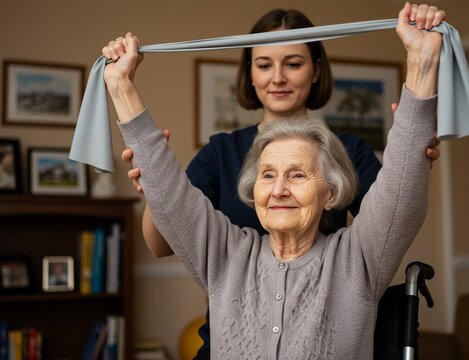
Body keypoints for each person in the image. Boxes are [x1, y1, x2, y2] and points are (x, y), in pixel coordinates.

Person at [102, 2, 445, 358]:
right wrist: (120, 86)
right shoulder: (226, 250)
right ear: (251, 188)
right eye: (267, 175)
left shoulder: (354, 260)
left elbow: (395, 205)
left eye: (298, 174)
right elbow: (172, 217)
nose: (279, 190)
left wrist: (421, 67)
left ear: (332, 189)